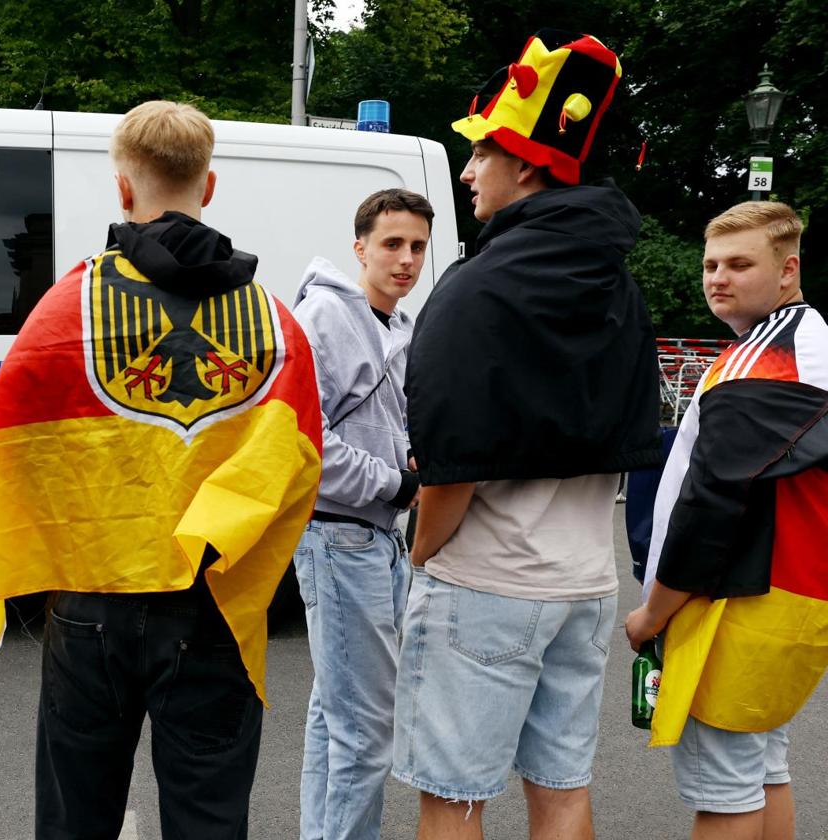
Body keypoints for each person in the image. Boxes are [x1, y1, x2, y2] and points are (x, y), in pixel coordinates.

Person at [0, 100, 323, 840]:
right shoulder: (273, 324)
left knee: (76, 820)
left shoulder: (70, 310)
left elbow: (7, 452)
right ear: (211, 186)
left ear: (123, 189)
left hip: (92, 606)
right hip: (211, 604)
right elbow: (297, 463)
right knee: (210, 819)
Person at [394, 30, 661, 839]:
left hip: (488, 581)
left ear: (530, 165)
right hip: (584, 581)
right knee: (562, 788)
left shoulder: (478, 288)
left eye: (481, 155)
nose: (467, 173)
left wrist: (418, 555)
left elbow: (451, 466)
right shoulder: (620, 286)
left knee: (451, 796)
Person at [627, 201, 828, 840]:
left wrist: (654, 611)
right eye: (711, 263)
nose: (718, 277)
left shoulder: (762, 359)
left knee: (725, 794)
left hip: (738, 601)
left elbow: (713, 500)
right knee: (765, 769)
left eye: (741, 264)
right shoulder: (812, 342)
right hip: (794, 590)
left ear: (788, 270)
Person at [290, 188, 432, 840]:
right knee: (366, 731)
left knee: (336, 717)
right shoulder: (324, 314)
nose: (406, 260)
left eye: (417, 248)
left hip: (370, 538)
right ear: (360, 247)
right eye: (392, 244)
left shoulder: (397, 324)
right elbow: (305, 442)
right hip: (338, 535)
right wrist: (399, 488)